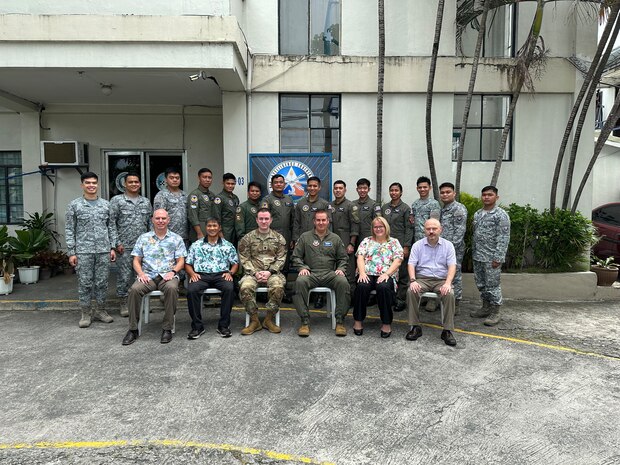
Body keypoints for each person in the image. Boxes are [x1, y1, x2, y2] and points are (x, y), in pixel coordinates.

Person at [121, 209, 187, 345]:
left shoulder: (176, 238)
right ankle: (133, 329)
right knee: (134, 290)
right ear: (152, 220)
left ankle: (167, 328)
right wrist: (140, 273)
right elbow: (136, 260)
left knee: (172, 289)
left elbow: (181, 260)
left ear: (168, 220)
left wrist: (174, 272)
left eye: (163, 218)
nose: (160, 221)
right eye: (157, 218)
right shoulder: (144, 238)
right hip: (148, 276)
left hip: (168, 275)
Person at [65, 171, 117, 328]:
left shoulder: (106, 205)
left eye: (94, 183)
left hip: (103, 250)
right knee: (85, 283)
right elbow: (69, 229)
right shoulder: (74, 205)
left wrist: (112, 247)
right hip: (83, 250)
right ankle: (86, 313)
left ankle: (101, 310)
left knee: (102, 282)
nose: (91, 185)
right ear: (82, 185)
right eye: (88, 183)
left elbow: (111, 227)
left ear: (97, 184)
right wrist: (71, 252)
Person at [291, 210, 350, 337]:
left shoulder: (335, 238)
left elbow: (343, 258)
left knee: (343, 282)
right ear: (314, 221)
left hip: (330, 274)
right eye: (318, 220)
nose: (321, 223)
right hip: (311, 273)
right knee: (300, 282)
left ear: (328, 221)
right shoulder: (305, 237)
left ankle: (340, 321)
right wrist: (302, 267)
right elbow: (296, 257)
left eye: (323, 220)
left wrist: (341, 268)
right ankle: (305, 321)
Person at [405, 218, 457, 346]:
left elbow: (452, 266)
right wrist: (413, 280)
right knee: (411, 291)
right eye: (428, 229)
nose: (431, 231)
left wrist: (448, 283)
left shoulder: (448, 245)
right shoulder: (418, 245)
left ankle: (447, 330)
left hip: (441, 280)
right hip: (422, 279)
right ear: (424, 230)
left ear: (440, 230)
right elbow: (411, 264)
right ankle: (415, 327)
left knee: (449, 294)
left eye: (434, 229)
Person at [185, 217, 239, 339]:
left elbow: (235, 263)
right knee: (192, 290)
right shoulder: (196, 245)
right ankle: (197, 327)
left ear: (219, 227)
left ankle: (223, 326)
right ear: (206, 227)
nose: (212, 228)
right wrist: (192, 274)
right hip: (201, 275)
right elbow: (187, 263)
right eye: (209, 226)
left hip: (221, 275)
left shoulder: (227, 245)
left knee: (229, 289)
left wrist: (230, 273)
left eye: (215, 226)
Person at [237, 208, 287, 335]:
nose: (264, 221)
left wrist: (270, 272)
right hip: (252, 273)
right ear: (257, 220)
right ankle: (254, 320)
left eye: (266, 219)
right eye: (261, 219)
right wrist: (255, 273)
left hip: (273, 273)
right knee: (245, 287)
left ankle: (268, 319)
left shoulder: (279, 238)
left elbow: (281, 258)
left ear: (271, 220)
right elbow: (244, 258)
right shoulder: (247, 238)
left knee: (278, 287)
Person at [109, 172, 152, 317]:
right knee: (124, 277)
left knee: (142, 276)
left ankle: (140, 302)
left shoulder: (145, 202)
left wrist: (152, 243)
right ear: (125, 184)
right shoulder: (117, 201)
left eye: (136, 182)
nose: (134, 184)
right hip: (124, 247)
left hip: (142, 247)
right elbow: (111, 224)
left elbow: (149, 224)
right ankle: (124, 303)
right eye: (131, 182)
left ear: (140, 184)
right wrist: (116, 243)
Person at [352, 216, 403, 338]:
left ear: (386, 227)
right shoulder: (366, 241)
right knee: (362, 286)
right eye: (376, 227)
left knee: (383, 287)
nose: (378, 229)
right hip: (367, 273)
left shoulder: (394, 242)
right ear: (372, 228)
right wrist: (362, 273)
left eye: (381, 226)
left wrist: (386, 274)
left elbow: (398, 260)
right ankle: (358, 321)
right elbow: (360, 257)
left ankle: (386, 323)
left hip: (386, 274)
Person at [470, 185, 511, 326]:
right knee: (481, 284)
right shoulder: (477, 214)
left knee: (492, 285)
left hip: (491, 257)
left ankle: (495, 312)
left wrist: (498, 257)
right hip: (478, 256)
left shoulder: (501, 215)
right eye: (484, 195)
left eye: (490, 195)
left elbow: (503, 237)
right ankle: (485, 307)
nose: (486, 197)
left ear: (496, 197)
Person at [381, 182, 413, 311]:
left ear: (401, 192)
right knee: (387, 271)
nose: (393, 192)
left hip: (400, 245)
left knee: (403, 273)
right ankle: (388, 297)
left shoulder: (406, 208)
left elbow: (409, 229)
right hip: (386, 245)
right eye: (391, 190)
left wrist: (406, 246)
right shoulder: (384, 208)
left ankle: (400, 299)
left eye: (396, 190)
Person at [439, 182, 468, 312]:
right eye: (442, 192)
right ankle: (446, 300)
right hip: (441, 249)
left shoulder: (459, 209)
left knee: (454, 275)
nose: (445, 194)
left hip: (454, 250)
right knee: (444, 274)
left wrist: (449, 250)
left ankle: (455, 304)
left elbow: (459, 233)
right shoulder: (443, 209)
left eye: (448, 192)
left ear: (454, 193)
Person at [329, 180, 360, 292]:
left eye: (340, 188)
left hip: (346, 241)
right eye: (336, 188)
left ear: (345, 190)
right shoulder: (329, 206)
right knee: (334, 269)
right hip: (331, 243)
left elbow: (355, 226)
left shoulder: (351, 206)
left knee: (348, 270)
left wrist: (352, 243)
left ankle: (350, 296)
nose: (337, 190)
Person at [153, 167, 188, 242]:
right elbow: (158, 218)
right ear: (166, 179)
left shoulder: (185, 195)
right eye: (171, 178)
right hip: (167, 237)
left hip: (185, 237)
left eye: (177, 178)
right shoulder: (161, 195)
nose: (175, 180)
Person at [292, 176, 331, 243]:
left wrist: (327, 240)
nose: (312, 188)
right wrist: (295, 239)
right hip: (302, 239)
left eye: (315, 186)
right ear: (307, 187)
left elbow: (328, 223)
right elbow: (296, 223)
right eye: (310, 186)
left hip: (319, 239)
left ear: (319, 188)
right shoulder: (300, 203)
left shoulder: (324, 204)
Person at [187, 168, 215, 243]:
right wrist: (199, 233)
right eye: (204, 177)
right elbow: (193, 215)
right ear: (199, 178)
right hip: (199, 232)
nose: (207, 180)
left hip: (211, 231)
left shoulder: (212, 195)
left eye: (209, 177)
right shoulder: (195, 195)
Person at [410, 176, 441, 243]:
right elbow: (412, 221)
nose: (422, 189)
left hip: (429, 239)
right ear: (417, 188)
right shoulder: (415, 204)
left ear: (430, 188)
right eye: (420, 187)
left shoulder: (434, 204)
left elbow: (435, 223)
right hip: (417, 240)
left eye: (425, 187)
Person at [351, 178, 382, 246]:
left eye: (365, 188)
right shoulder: (352, 204)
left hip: (369, 239)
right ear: (357, 189)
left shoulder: (374, 205)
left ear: (369, 189)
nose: (362, 190)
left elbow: (378, 222)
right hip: (354, 239)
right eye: (360, 188)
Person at [213, 173, 240, 245]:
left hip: (235, 230)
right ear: (223, 183)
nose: (230, 186)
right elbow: (216, 217)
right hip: (225, 231)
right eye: (228, 183)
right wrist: (220, 232)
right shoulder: (219, 198)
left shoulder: (235, 198)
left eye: (232, 184)